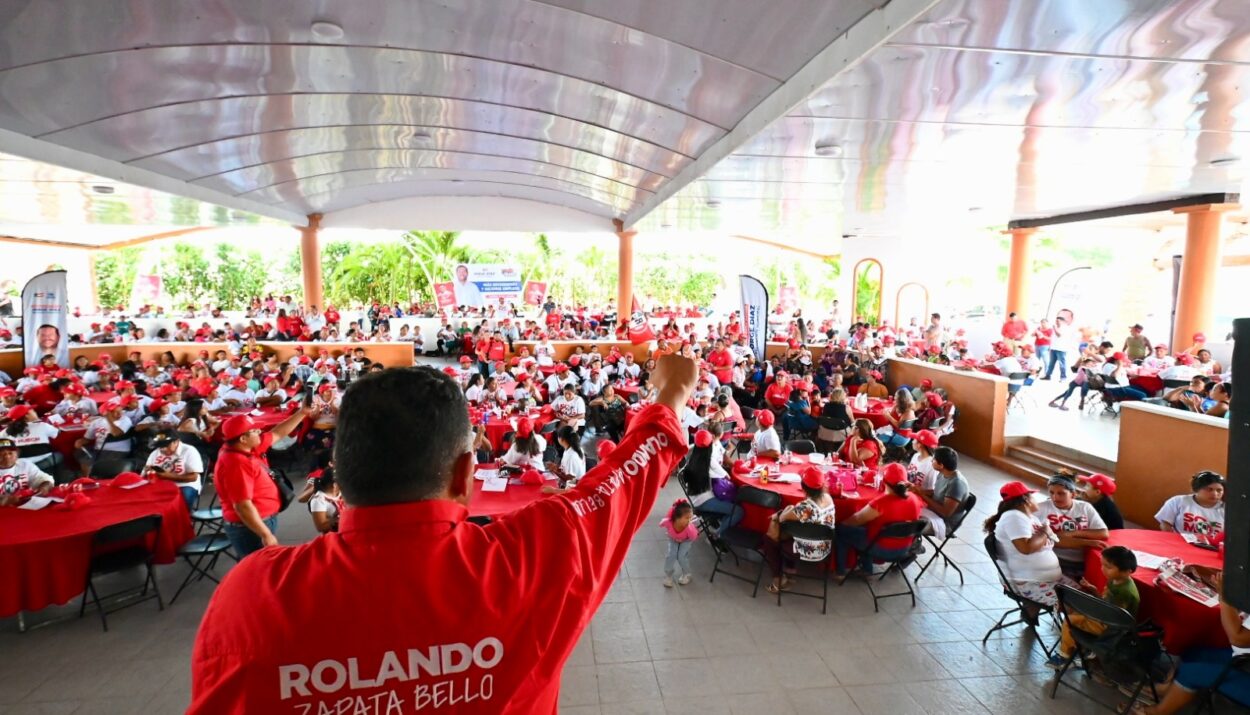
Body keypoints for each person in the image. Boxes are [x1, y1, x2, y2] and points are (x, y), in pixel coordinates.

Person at [189, 355, 696, 713]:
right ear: (464, 474)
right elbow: (620, 480)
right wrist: (671, 392)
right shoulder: (535, 557)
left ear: (340, 472)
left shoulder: (251, 597)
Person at [1132, 572, 1250, 715]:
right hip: (1243, 661)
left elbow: (1237, 637)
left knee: (1190, 673)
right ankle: (1168, 689)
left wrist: (1224, 596)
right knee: (1192, 652)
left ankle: (1158, 712)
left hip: (1245, 669)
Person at [213, 406, 312, 558]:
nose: (259, 431)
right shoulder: (236, 463)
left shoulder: (246, 447)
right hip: (250, 528)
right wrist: (265, 534)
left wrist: (302, 413)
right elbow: (242, 505)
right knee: (256, 570)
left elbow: (278, 433)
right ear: (243, 438)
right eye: (254, 430)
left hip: (262, 520)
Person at [1045, 546, 1140, 670]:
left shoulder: (1125, 592)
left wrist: (1090, 612)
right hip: (1105, 617)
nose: (1103, 569)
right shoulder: (1115, 580)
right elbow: (1106, 603)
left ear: (1127, 571)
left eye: (1109, 567)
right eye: (1103, 565)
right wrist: (1093, 590)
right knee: (1072, 612)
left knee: (1070, 621)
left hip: (1112, 628)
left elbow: (1114, 616)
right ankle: (1084, 651)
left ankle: (1065, 655)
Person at [984, 481, 1077, 607]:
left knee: (1089, 597)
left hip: (1044, 579)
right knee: (1078, 605)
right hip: (1028, 582)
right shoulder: (1013, 517)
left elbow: (1045, 541)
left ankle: (1030, 612)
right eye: (1032, 496)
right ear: (1026, 499)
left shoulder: (1029, 518)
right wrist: (1045, 531)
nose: (1035, 500)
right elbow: (1026, 548)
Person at [834, 463, 923, 578]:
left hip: (881, 548)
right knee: (870, 531)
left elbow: (855, 520)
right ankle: (866, 569)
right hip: (905, 548)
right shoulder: (914, 498)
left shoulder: (881, 503)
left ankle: (840, 572)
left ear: (883, 481)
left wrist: (840, 523)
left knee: (841, 530)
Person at [763, 466, 836, 595]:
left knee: (770, 537)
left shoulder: (805, 508)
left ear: (803, 487)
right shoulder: (828, 498)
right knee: (789, 530)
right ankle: (790, 568)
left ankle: (778, 580)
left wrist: (780, 513)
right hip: (825, 547)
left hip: (808, 550)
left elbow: (783, 517)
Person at [1034, 473, 1109, 579]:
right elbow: (1054, 540)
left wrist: (1072, 533)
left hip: (1084, 560)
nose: (1055, 497)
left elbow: (1103, 533)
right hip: (1055, 561)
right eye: (1051, 492)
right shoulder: (1041, 508)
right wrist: (1087, 542)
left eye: (1061, 493)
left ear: (1073, 494)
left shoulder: (1085, 507)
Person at [679, 428, 741, 536]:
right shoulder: (709, 461)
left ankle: (720, 524)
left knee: (731, 503)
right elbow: (727, 476)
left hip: (694, 497)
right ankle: (718, 535)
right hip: (704, 501)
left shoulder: (691, 453)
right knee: (739, 510)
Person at [909, 446, 969, 541]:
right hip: (934, 512)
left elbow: (945, 512)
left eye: (933, 460)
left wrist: (922, 495)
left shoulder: (956, 483)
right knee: (905, 508)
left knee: (908, 524)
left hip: (945, 522)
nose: (931, 461)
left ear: (941, 465)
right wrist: (919, 491)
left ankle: (913, 546)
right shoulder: (943, 473)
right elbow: (937, 492)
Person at [1154, 470, 1225, 538]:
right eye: (1209, 489)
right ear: (1196, 489)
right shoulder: (1178, 501)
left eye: (1219, 490)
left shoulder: (1226, 509)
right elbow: (1165, 524)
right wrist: (1172, 539)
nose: (1215, 494)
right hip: (1179, 544)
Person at [144, 431, 204, 510]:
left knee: (183, 498)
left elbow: (193, 477)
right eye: (160, 446)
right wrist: (148, 472)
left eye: (166, 445)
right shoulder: (155, 452)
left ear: (176, 441)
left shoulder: (189, 451)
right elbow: (145, 471)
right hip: (161, 484)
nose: (163, 449)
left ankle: (183, 518)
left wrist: (168, 476)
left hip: (185, 485)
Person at [0, 437, 53, 505]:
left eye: (10, 453)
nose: (7, 456)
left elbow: (43, 479)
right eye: (1, 454)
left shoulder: (25, 464)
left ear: (17, 454)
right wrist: (3, 500)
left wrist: (45, 486)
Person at [660, 499, 698, 588]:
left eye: (690, 518)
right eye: (686, 518)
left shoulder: (689, 527)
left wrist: (683, 540)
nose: (689, 520)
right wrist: (668, 532)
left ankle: (687, 574)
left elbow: (693, 537)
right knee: (671, 555)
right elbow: (661, 523)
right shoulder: (668, 522)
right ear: (677, 518)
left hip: (686, 540)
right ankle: (668, 575)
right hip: (673, 539)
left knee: (681, 556)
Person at [308, 468, 343, 534]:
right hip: (334, 536)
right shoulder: (318, 500)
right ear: (334, 485)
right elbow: (320, 526)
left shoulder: (341, 493)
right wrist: (341, 519)